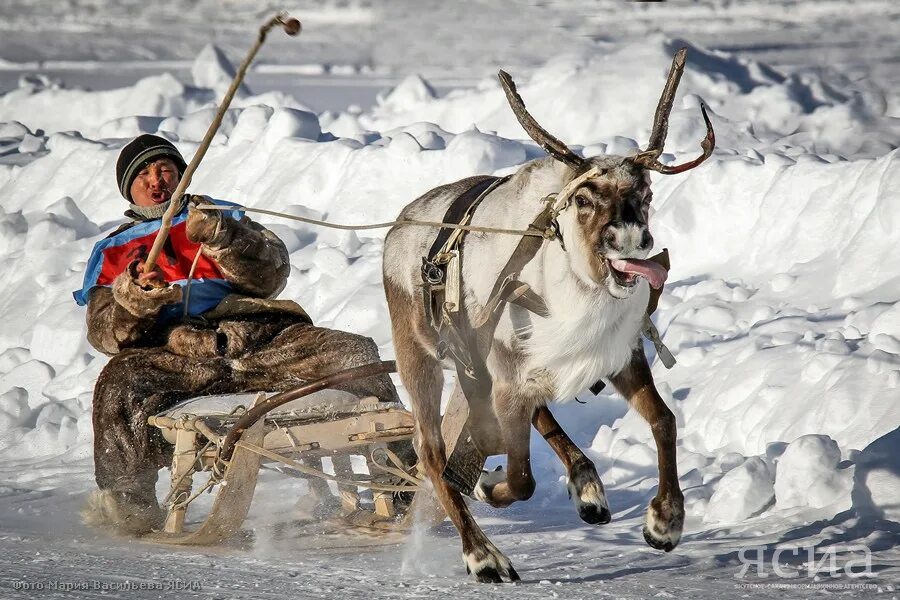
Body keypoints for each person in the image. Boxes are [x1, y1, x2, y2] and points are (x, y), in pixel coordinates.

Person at [74, 134, 398, 535]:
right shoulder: (111, 251)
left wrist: (225, 238)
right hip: (176, 359)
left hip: (259, 340)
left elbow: (271, 278)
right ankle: (129, 506)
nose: (156, 180)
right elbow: (105, 335)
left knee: (354, 352)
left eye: (165, 170)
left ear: (182, 175)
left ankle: (401, 475)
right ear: (128, 186)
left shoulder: (220, 217)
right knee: (118, 380)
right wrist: (135, 298)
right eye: (143, 173)